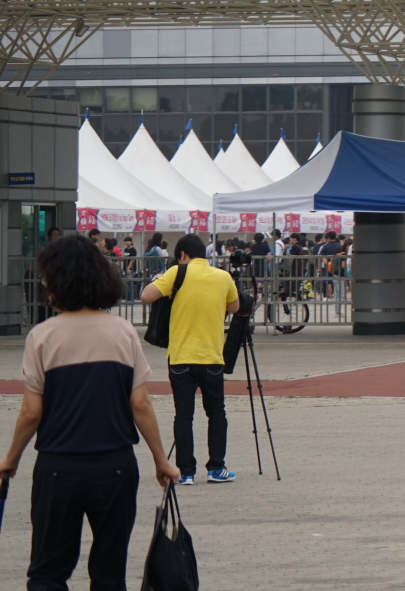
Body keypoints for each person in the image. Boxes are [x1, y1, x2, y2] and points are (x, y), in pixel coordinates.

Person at [3, 237, 181, 589]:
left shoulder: (42, 337)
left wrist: (10, 459)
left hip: (58, 466)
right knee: (109, 573)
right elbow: (140, 404)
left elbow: (30, 413)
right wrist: (161, 459)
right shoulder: (122, 332)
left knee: (48, 571)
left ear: (56, 280)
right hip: (115, 466)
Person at [139, 232, 243, 484]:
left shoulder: (177, 273)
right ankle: (216, 468)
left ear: (182, 255)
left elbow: (145, 296)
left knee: (183, 415)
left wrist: (162, 281)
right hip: (212, 356)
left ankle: (185, 472)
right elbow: (235, 307)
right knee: (216, 412)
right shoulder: (223, 276)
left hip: (181, 357)